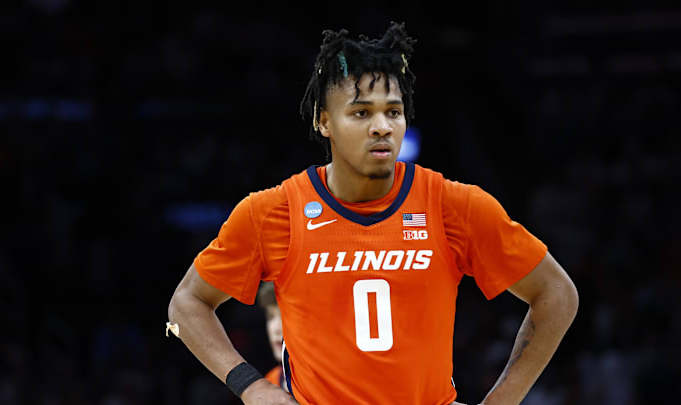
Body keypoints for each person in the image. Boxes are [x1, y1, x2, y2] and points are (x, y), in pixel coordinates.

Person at [168, 21, 578, 405]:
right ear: (324, 121)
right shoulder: (271, 212)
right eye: (362, 113)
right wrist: (251, 387)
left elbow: (557, 294)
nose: (382, 126)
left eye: (393, 112)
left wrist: (500, 401)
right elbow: (185, 305)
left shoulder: (454, 205)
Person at [256, 282, 287, 391]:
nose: (276, 329)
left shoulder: (330, 379)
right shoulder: (270, 382)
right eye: (270, 317)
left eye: (284, 316)